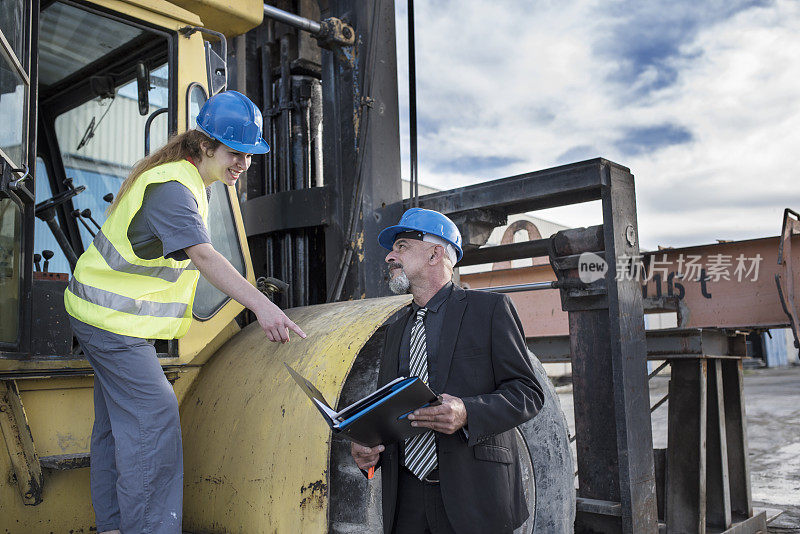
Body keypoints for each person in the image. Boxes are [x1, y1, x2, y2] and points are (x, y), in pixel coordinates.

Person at [64, 90, 306, 534]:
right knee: (153, 419)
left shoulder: (190, 180)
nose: (244, 164)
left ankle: (114, 526)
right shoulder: (175, 188)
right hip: (110, 321)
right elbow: (206, 256)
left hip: (104, 313)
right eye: (235, 152)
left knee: (116, 426)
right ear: (205, 145)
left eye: (250, 155)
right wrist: (263, 306)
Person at [350, 208, 545, 534]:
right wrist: (368, 447)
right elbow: (389, 410)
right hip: (406, 501)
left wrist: (467, 411)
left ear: (435, 253)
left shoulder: (490, 311)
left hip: (475, 498)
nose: (389, 257)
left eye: (401, 247)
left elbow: (527, 393)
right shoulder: (395, 329)